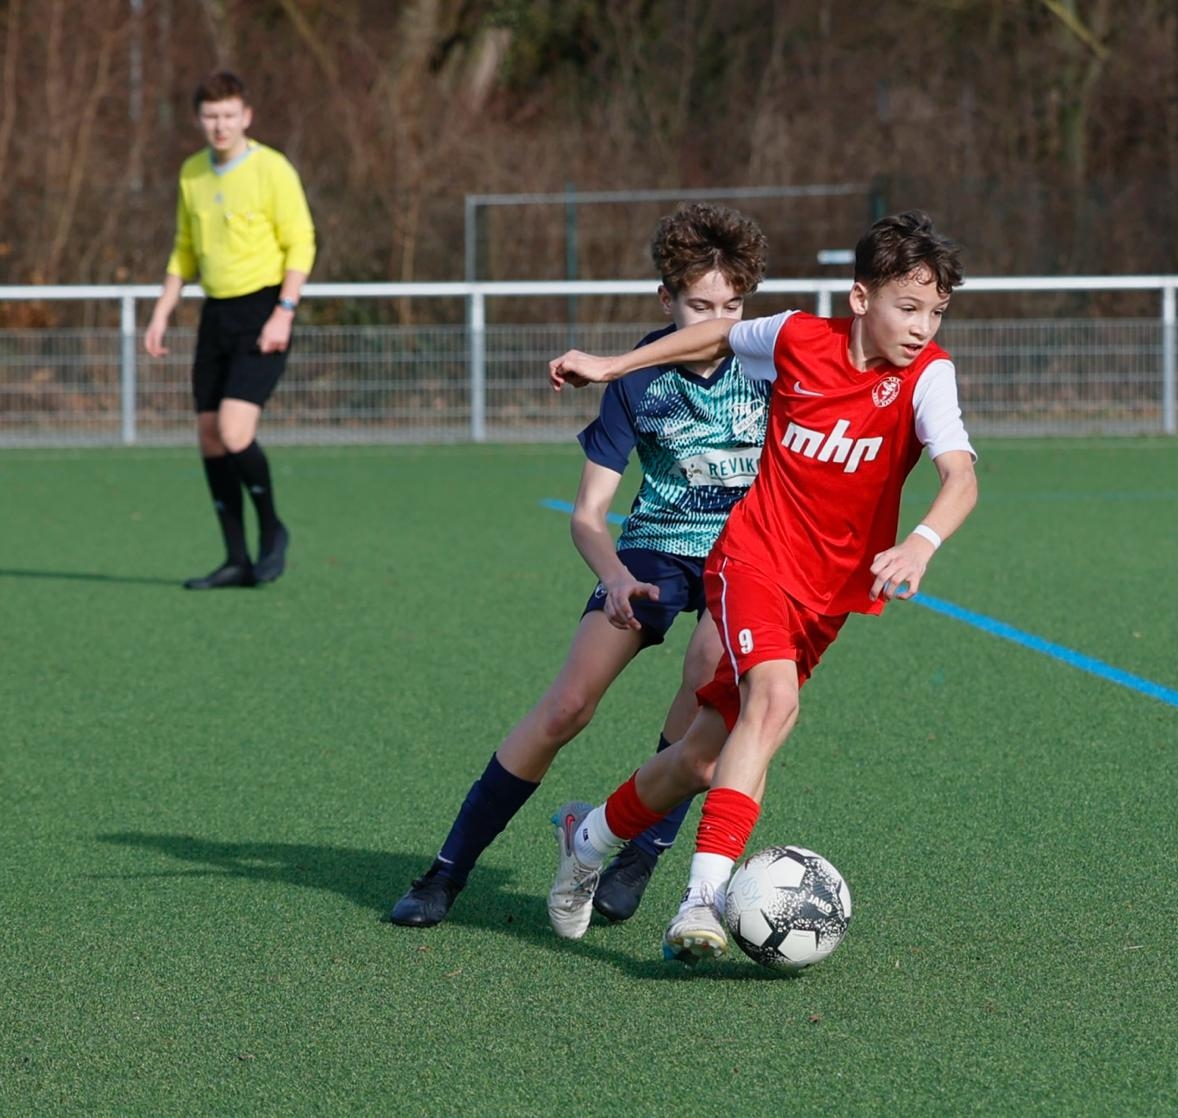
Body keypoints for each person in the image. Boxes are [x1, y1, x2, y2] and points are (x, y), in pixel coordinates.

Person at [543, 210, 979, 962]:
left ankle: (587, 839)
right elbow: (716, 335)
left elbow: (961, 476)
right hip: (752, 560)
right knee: (773, 703)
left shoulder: (928, 375)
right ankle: (702, 901)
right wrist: (614, 366)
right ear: (860, 298)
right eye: (908, 307)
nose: (921, 327)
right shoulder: (796, 338)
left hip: (825, 599)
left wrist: (921, 542)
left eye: (935, 312)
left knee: (701, 759)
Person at [389, 203, 771, 928]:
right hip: (655, 548)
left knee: (707, 680)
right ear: (665, 299)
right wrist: (618, 577)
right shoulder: (636, 379)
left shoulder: (769, 361)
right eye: (700, 305)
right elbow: (589, 516)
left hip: (746, 554)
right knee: (567, 706)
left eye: (732, 306)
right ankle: (444, 874)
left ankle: (638, 854)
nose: (718, 322)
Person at [143, 71, 315, 590]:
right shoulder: (193, 173)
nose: (220, 125)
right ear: (199, 120)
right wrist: (163, 309)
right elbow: (184, 247)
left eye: (229, 115)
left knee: (235, 431)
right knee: (209, 436)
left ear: (246, 117)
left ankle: (273, 532)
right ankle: (236, 558)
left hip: (263, 310)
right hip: (215, 314)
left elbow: (301, 241)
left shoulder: (272, 168)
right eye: (211, 116)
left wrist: (284, 310)